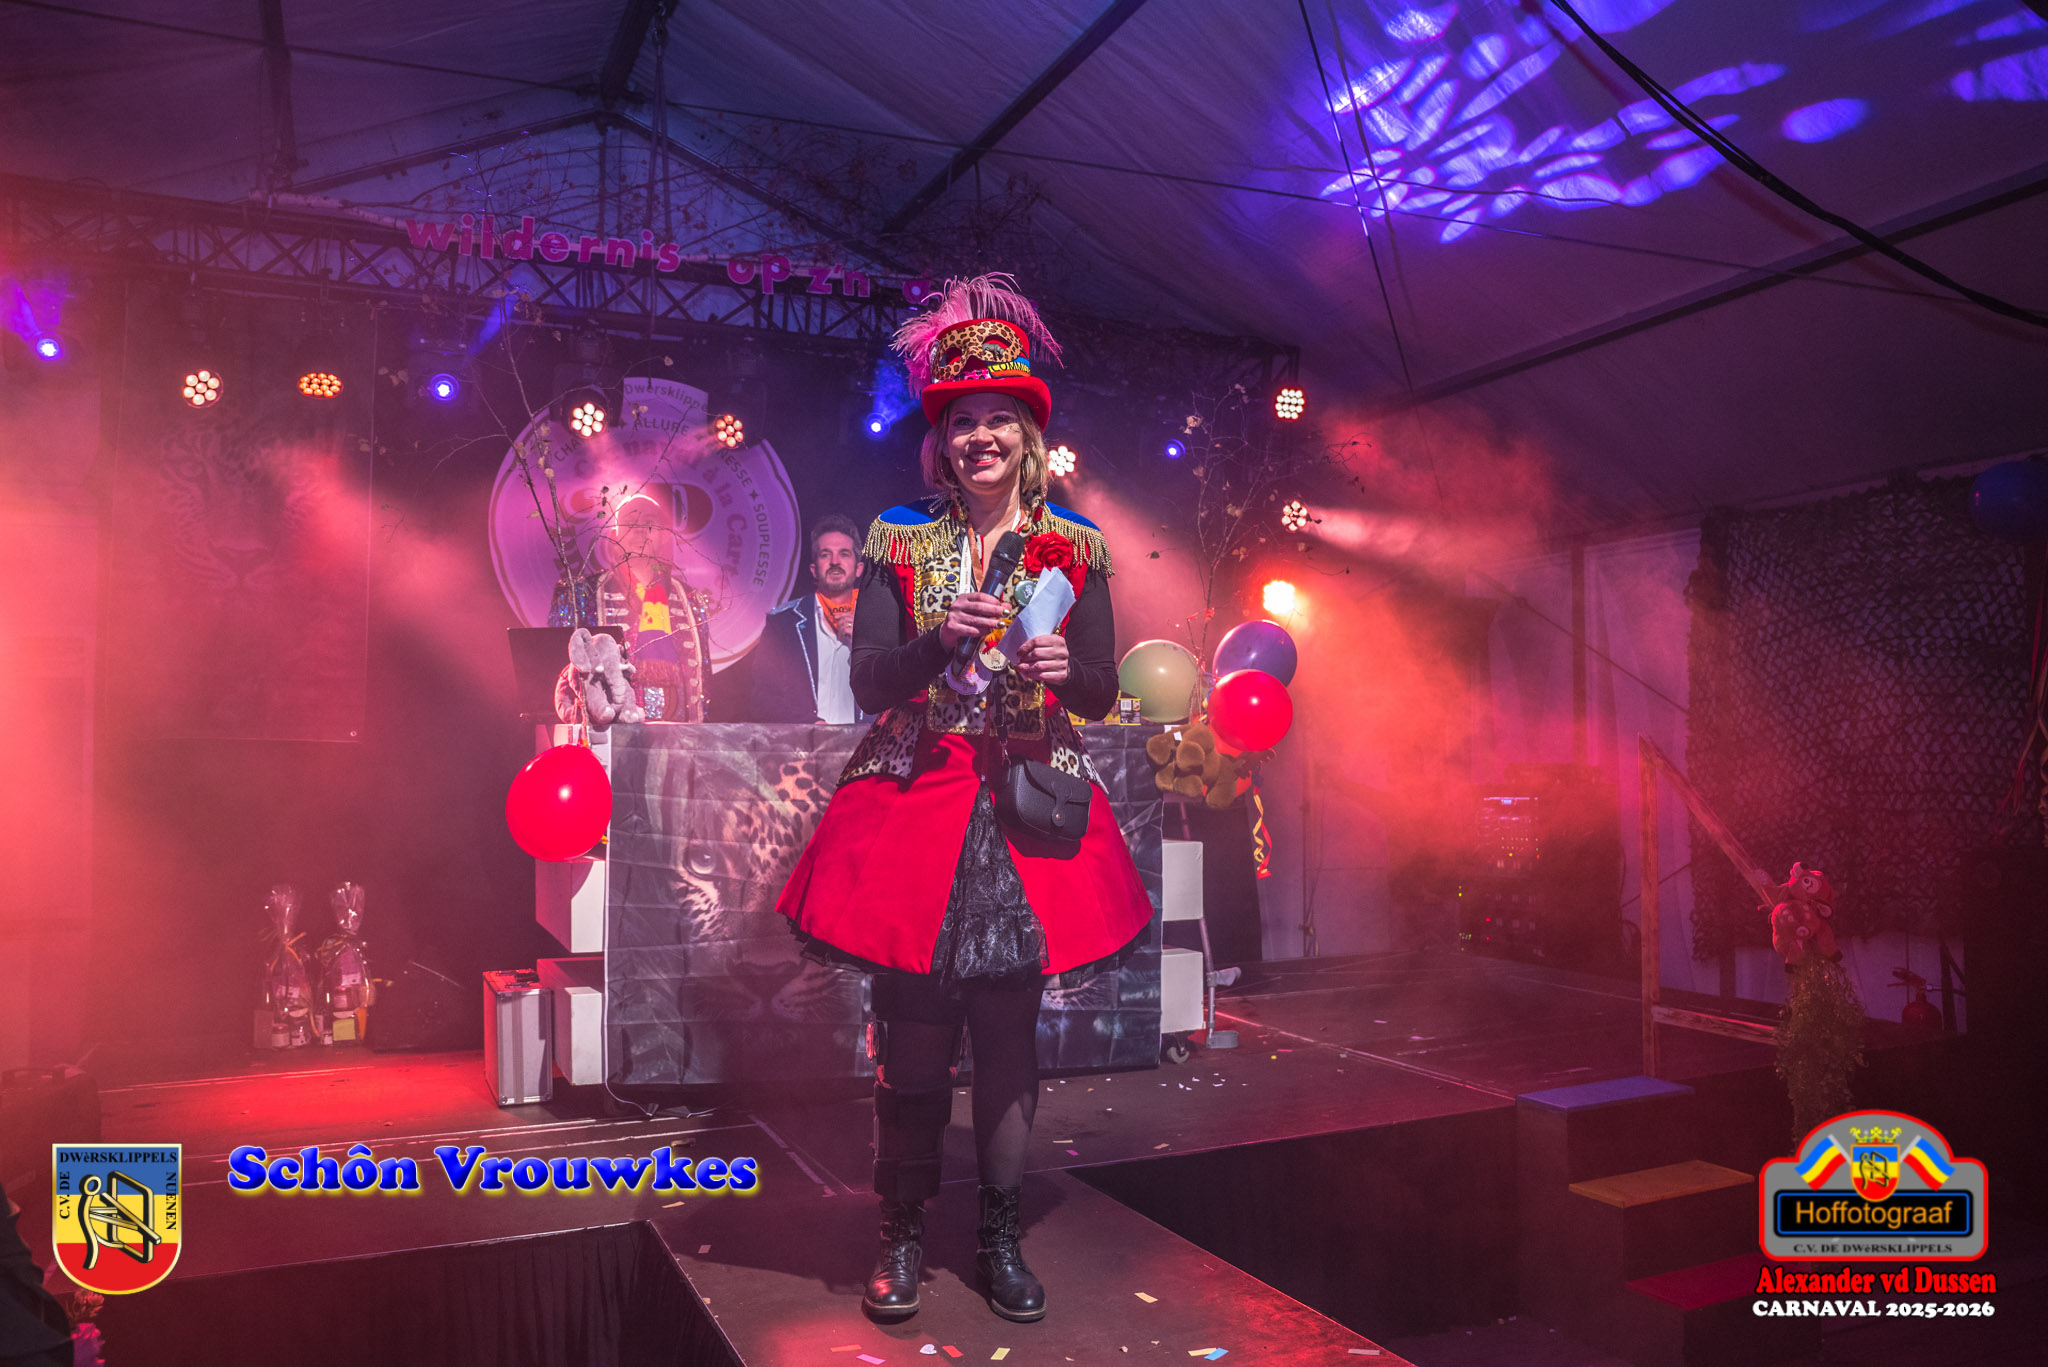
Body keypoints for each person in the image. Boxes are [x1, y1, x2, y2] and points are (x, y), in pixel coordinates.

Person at [775, 275, 1152, 1325]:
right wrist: (941, 639)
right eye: (960, 421)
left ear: (1029, 436)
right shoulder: (897, 535)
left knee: (1007, 1038)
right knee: (912, 1038)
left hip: (1028, 804)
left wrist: (1063, 669)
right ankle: (900, 1230)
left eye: (998, 419)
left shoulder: (1073, 546)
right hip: (917, 799)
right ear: (939, 441)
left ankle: (998, 1234)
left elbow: (1101, 687)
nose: (979, 436)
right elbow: (869, 682)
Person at [711, 514, 870, 724]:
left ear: (858, 568)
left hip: (868, 743)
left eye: (844, 554)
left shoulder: (880, 623)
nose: (834, 562)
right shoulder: (782, 623)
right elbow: (763, 701)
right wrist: (810, 728)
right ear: (814, 570)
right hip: (805, 744)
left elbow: (896, 693)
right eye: (825, 555)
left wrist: (864, 643)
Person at [594, 490, 712, 721]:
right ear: (615, 535)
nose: (640, 531)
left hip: (680, 728)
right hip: (613, 727)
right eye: (630, 523)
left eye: (649, 523)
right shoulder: (586, 593)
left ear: (664, 536)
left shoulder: (689, 599)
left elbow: (704, 677)